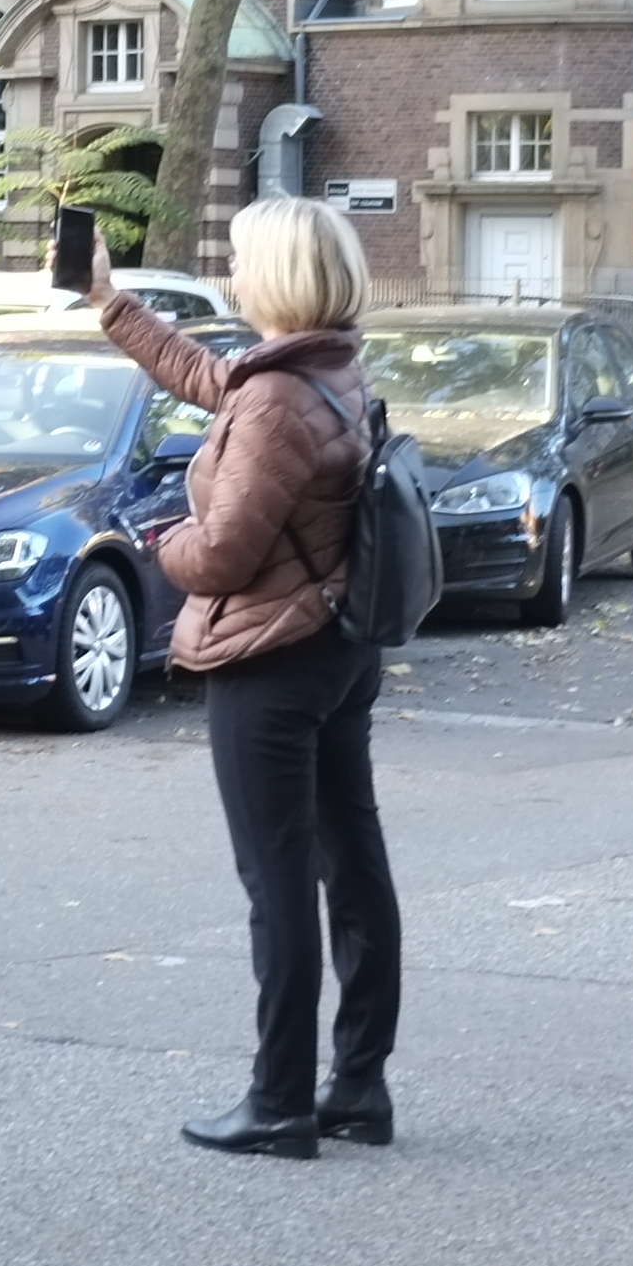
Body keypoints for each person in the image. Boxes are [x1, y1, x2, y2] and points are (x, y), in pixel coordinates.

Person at [87, 196, 404, 1159]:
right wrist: (111, 302)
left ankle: (278, 1103)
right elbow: (210, 376)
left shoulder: (276, 399)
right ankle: (357, 1088)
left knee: (280, 886)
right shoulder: (327, 370)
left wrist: (161, 542)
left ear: (277, 277)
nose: (230, 272)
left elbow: (223, 556)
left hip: (271, 660)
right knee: (351, 867)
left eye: (239, 258)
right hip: (339, 647)